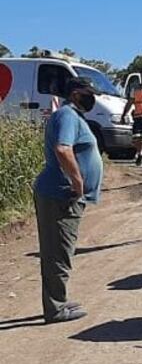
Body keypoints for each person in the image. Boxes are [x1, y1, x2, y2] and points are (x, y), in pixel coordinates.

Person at [33, 77, 104, 323]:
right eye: (88, 93)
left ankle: (58, 300)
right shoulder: (68, 116)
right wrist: (78, 182)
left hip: (62, 194)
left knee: (61, 249)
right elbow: (63, 149)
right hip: (60, 194)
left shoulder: (72, 115)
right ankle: (55, 308)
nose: (92, 98)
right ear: (75, 94)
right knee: (58, 252)